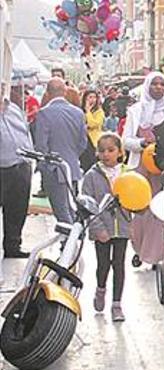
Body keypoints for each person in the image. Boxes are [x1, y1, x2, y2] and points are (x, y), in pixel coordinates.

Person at [123, 72, 164, 266]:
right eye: (154, 84)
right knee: (141, 210)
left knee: (160, 210)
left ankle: (158, 254)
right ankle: (139, 248)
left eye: (162, 84)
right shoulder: (136, 111)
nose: (159, 87)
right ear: (147, 86)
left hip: (163, 167)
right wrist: (142, 143)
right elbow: (125, 141)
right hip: (141, 168)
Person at [81, 133, 130, 322]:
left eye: (111, 150)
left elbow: (137, 200)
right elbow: (88, 205)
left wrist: (133, 221)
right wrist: (97, 228)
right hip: (102, 229)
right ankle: (101, 289)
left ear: (120, 152)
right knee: (103, 265)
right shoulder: (91, 176)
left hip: (122, 228)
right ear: (97, 153)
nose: (106, 154)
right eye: (102, 151)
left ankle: (117, 304)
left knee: (119, 265)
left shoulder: (127, 173)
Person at [33, 77, 88, 224]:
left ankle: (68, 243)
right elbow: (83, 143)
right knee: (72, 208)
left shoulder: (44, 113)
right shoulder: (78, 113)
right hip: (73, 168)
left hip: (54, 170)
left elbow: (41, 147)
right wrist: (73, 156)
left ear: (47, 93)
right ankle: (73, 240)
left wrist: (46, 167)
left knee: (62, 211)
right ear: (65, 92)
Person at [0, 94, 34, 259]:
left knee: (18, 208)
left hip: (21, 165)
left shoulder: (13, 109)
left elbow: (25, 132)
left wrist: (30, 157)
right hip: (2, 167)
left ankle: (13, 246)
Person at [81, 89, 105, 171]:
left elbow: (93, 124)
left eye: (94, 97)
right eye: (90, 97)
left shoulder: (99, 112)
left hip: (93, 142)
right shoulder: (80, 111)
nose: (92, 100)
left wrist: (88, 111)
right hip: (83, 141)